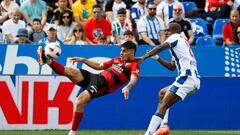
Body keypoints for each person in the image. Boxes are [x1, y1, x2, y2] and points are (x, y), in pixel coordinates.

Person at [37, 41, 140, 135]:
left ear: (131, 52)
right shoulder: (117, 59)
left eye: (124, 51)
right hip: (95, 77)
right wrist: (83, 60)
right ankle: (47, 60)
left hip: (103, 85)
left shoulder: (133, 65)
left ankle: (72, 133)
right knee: (70, 71)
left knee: (79, 101)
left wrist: (128, 87)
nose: (121, 53)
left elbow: (133, 79)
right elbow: (99, 66)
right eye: (121, 50)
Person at [140, 23, 200, 135]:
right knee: (162, 94)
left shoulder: (175, 37)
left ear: (174, 30)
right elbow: (172, 67)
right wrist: (157, 58)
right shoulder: (180, 42)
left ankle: (148, 133)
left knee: (163, 105)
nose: (165, 32)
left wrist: (144, 57)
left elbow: (161, 47)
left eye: (167, 30)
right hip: (192, 79)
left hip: (187, 78)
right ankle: (163, 126)